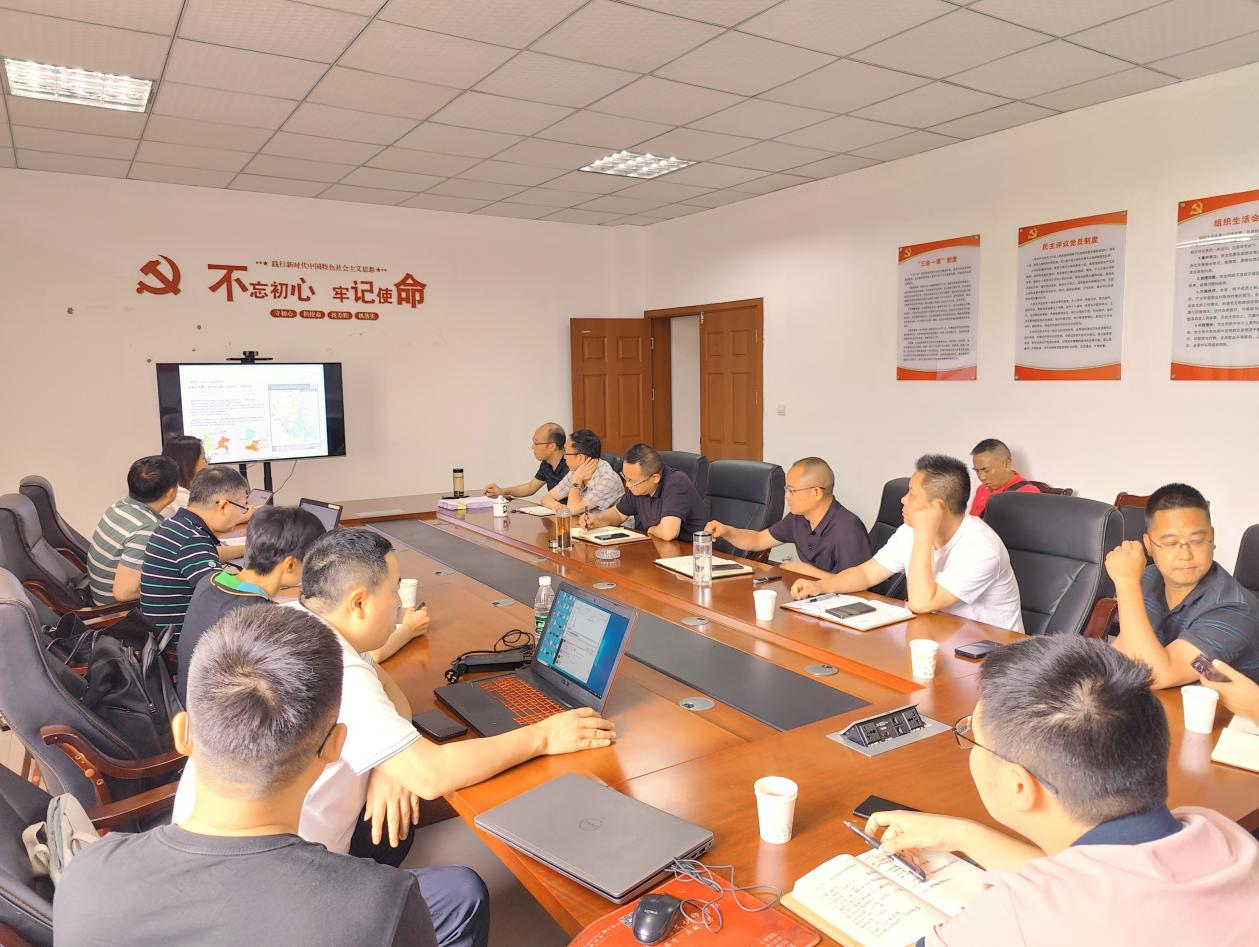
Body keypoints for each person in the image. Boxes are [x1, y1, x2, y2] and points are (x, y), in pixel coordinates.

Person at [172, 528, 615, 875]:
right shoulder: (336, 667)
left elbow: (390, 694)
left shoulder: (297, 620)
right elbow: (431, 775)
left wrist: (387, 762)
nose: (401, 605)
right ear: (359, 603)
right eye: (395, 590)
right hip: (286, 873)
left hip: (212, 851)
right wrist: (544, 736)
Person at [55, 605, 451, 947]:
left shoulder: (86, 876)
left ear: (183, 734)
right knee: (461, 891)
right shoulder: (381, 904)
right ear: (334, 745)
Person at [864, 636, 1259, 946]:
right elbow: (1094, 881)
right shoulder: (1219, 833)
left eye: (972, 737)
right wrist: (964, 835)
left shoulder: (1019, 914)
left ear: (1018, 786)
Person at [790, 455, 1023, 632]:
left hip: (989, 653)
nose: (903, 500)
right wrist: (821, 586)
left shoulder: (981, 547)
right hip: (935, 634)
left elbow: (922, 603)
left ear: (937, 507)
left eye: (911, 494)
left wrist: (924, 534)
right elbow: (866, 574)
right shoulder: (909, 532)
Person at [1104, 482, 1259, 687]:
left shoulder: (1236, 609)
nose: (1185, 555)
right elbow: (1125, 649)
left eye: (1197, 541)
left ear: (1212, 538)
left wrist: (1126, 583)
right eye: (1170, 543)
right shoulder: (1148, 578)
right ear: (1149, 545)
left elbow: (1155, 675)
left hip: (1220, 707)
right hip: (1161, 698)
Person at [176, 505, 327, 702]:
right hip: (223, 714)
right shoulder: (262, 617)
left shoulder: (210, 581)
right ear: (290, 564)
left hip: (188, 703)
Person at [705, 457, 869, 576]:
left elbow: (859, 586)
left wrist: (809, 572)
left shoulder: (848, 528)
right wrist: (727, 531)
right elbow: (759, 540)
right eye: (786, 490)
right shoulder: (798, 518)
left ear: (816, 492)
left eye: (792, 490)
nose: (786, 496)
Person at [140, 466, 250, 639]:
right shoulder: (192, 539)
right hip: (181, 641)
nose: (242, 514)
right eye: (243, 507)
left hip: (162, 634)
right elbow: (224, 598)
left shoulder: (173, 525)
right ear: (223, 506)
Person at [86, 455, 180, 605]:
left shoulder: (118, 507)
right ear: (170, 492)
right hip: (118, 611)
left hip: (98, 596)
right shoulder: (147, 529)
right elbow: (124, 593)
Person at [580, 443, 708, 541]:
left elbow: (668, 533)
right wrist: (597, 520)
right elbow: (618, 514)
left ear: (655, 478)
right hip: (659, 548)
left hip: (693, 553)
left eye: (632, 481)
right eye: (625, 477)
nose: (628, 485)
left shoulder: (676, 483)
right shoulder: (638, 487)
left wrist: (651, 529)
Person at [541, 428, 624, 516]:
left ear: (580, 458)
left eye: (566, 453)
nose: (564, 457)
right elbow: (545, 498)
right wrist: (556, 505)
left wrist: (577, 480)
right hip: (586, 523)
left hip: (612, 525)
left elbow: (571, 510)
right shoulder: (575, 470)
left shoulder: (607, 479)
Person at [484, 422, 568, 499]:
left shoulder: (570, 465)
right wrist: (502, 491)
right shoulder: (546, 463)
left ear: (551, 446)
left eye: (536, 443)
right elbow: (530, 487)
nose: (532, 447)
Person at [968, 438, 1040, 517]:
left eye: (986, 470)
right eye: (977, 471)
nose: (982, 478)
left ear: (1007, 465)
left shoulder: (1027, 493)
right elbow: (972, 521)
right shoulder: (981, 489)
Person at [160, 434, 208, 518]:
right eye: (203, 457)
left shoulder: (176, 488)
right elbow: (209, 520)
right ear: (190, 463)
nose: (207, 462)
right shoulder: (178, 494)